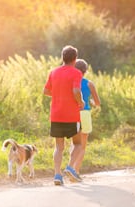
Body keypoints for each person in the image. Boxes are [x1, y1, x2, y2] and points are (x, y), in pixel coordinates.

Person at [43, 45, 85, 185]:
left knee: (59, 147)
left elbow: (46, 91)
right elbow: (76, 91)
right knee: (78, 144)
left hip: (56, 115)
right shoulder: (76, 73)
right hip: (71, 115)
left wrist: (60, 94)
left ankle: (57, 175)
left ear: (62, 57)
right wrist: (81, 102)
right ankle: (70, 167)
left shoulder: (53, 72)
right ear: (75, 59)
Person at [73, 59, 101, 177]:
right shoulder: (89, 84)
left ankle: (71, 168)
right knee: (83, 145)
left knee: (74, 144)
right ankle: (76, 171)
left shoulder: (71, 83)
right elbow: (98, 103)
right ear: (85, 71)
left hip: (72, 114)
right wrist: (91, 102)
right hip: (85, 114)